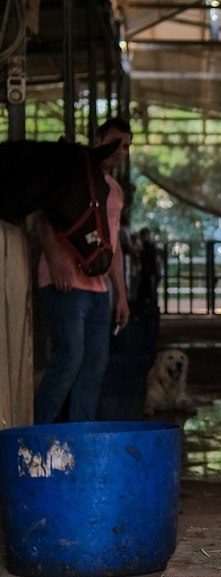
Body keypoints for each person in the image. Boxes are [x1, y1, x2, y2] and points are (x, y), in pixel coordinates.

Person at [34, 116, 131, 423]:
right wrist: (56, 260)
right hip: (64, 284)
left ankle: (79, 440)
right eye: (115, 143)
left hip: (98, 291)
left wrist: (121, 295)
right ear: (97, 141)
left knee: (94, 367)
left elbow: (112, 247)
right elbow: (44, 218)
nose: (120, 151)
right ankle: (35, 437)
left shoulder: (114, 191)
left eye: (127, 146)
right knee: (69, 359)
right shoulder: (71, 177)